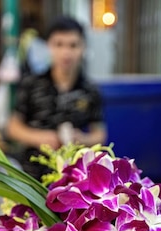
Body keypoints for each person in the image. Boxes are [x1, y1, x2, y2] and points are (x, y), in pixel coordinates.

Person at [6, 16, 106, 180]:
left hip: (74, 178)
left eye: (73, 45)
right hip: (32, 177)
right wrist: (39, 138)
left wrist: (82, 139)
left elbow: (100, 134)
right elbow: (13, 127)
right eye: (59, 44)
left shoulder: (90, 90)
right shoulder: (31, 84)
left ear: (83, 48)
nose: (66, 52)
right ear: (49, 46)